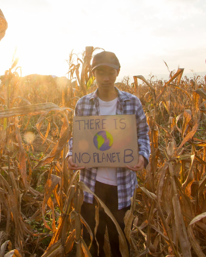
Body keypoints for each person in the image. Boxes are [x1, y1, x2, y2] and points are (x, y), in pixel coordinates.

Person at [66, 51, 150, 257]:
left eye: (110, 72)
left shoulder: (132, 102)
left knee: (118, 239)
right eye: (100, 72)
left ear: (118, 73)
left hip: (121, 185)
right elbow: (75, 136)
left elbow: (143, 134)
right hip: (91, 185)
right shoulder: (83, 104)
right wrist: (71, 154)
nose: (106, 78)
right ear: (93, 73)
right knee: (92, 238)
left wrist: (142, 156)